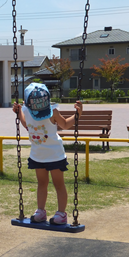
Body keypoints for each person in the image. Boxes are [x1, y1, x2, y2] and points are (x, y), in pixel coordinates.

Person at [13, 83, 83, 224]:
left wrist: (78, 114)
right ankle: (40, 211)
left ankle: (61, 213)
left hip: (55, 155)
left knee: (58, 184)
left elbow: (65, 125)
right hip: (38, 155)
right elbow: (26, 124)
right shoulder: (27, 110)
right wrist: (19, 112)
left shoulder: (53, 112)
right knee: (42, 183)